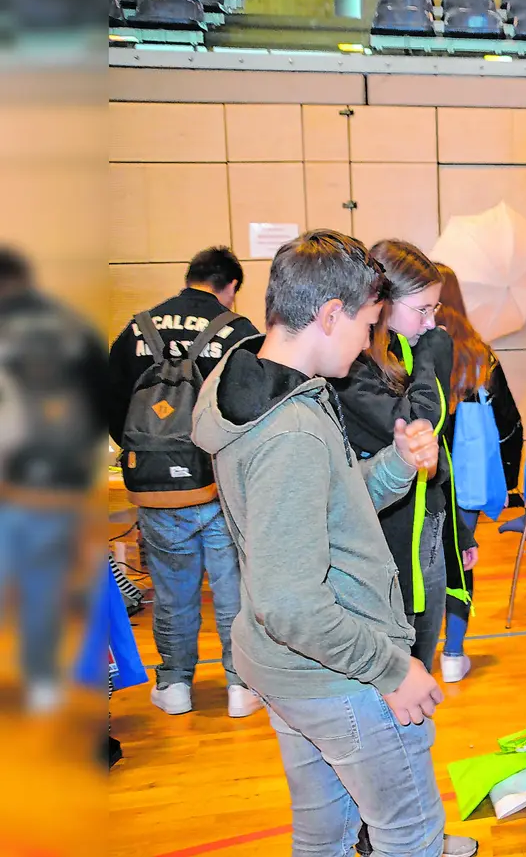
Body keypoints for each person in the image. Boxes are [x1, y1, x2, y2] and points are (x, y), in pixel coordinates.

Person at [192, 229, 476, 857]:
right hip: (338, 677)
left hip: (289, 671)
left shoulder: (259, 383)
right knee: (412, 838)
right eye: (366, 325)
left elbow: (332, 511)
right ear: (328, 315)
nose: (368, 343)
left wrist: (398, 464)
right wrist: (390, 669)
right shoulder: (290, 431)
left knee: (324, 837)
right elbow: (290, 601)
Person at [107, 245, 263, 718]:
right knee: (232, 590)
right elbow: (253, 412)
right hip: (217, 484)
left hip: (155, 489)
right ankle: (240, 686)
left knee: (172, 590)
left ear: (190, 277)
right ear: (231, 286)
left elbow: (113, 409)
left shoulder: (137, 329)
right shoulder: (238, 332)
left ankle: (175, 684)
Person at [330, 241, 466, 675]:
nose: (431, 324)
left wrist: (461, 532)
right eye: (421, 310)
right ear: (383, 305)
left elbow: (437, 456)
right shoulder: (350, 368)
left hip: (427, 528)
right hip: (386, 543)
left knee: (421, 668)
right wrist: (434, 362)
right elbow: (416, 425)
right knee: (399, 672)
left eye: (435, 310)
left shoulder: (399, 351)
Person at [0, 246, 108, 713]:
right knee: (43, 589)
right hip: (58, 488)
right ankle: (42, 682)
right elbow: (102, 410)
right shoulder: (75, 327)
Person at [433, 264, 524, 684]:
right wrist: (506, 482)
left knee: (412, 563)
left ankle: (412, 655)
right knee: (459, 561)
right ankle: (453, 653)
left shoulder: (399, 348)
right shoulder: (478, 354)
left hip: (412, 478)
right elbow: (510, 425)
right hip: (464, 481)